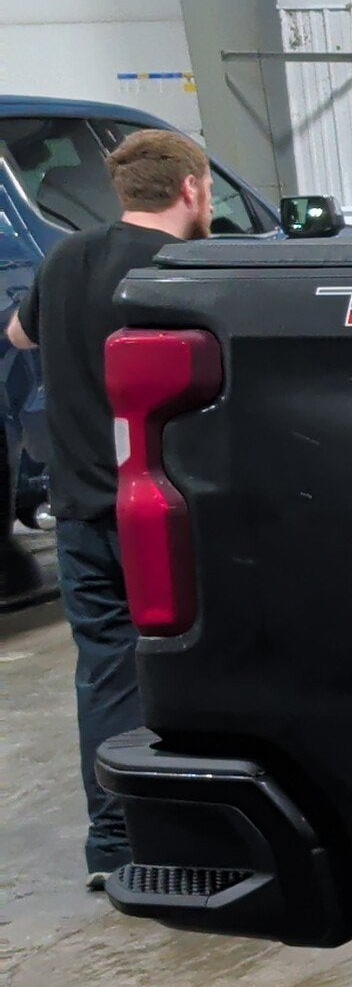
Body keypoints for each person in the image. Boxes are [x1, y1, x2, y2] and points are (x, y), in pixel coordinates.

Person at [4, 126, 213, 890]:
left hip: (84, 511)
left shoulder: (64, 260)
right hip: (169, 515)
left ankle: (116, 845)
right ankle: (195, 839)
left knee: (106, 676)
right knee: (201, 672)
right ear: (192, 188)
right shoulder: (183, 268)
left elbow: (18, 334)